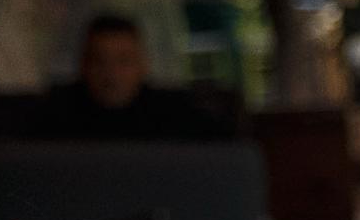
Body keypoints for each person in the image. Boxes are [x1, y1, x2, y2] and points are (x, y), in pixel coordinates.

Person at [31, 13, 222, 140]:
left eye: (124, 61)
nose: (111, 73)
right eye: (99, 61)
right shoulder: (55, 117)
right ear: (83, 65)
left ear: (143, 64)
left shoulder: (176, 115)